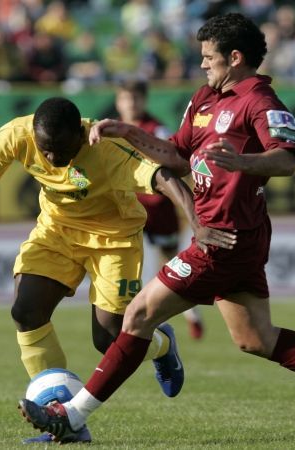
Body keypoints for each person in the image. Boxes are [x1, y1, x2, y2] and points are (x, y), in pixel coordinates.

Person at [19, 13, 295, 443]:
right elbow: (174, 155)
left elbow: (287, 158)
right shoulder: (206, 98)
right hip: (227, 235)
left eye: (209, 58)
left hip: (223, 236)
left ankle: (73, 415)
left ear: (235, 57)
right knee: (255, 337)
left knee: (136, 315)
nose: (203, 65)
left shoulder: (259, 101)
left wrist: (242, 162)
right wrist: (127, 131)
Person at [0, 96, 236, 444]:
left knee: (109, 339)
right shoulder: (19, 133)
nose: (53, 159)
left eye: (61, 149)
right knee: (26, 311)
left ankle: (162, 344)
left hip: (113, 239)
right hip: (56, 232)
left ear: (80, 133)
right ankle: (60, 417)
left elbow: (163, 177)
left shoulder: (105, 146)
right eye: (46, 150)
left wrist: (198, 223)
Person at [114, 78, 205, 340]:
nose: (131, 103)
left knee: (174, 266)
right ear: (118, 101)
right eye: (126, 98)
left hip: (160, 210)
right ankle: (139, 319)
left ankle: (192, 315)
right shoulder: (111, 131)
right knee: (138, 267)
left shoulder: (158, 130)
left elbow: (177, 167)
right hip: (130, 212)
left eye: (136, 98)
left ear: (144, 100)